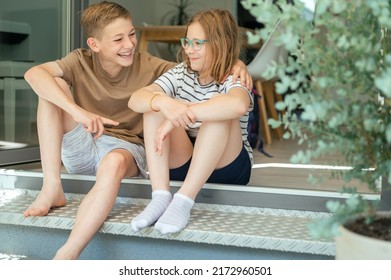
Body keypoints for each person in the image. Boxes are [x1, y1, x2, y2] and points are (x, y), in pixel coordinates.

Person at [23, 2, 251, 259]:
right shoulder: (81, 60)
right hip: (98, 139)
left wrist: (235, 64)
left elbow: (229, 92)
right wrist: (78, 111)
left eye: (132, 35)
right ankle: (54, 185)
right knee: (53, 88)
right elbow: (34, 74)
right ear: (94, 45)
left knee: (215, 113)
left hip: (146, 153)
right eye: (118, 39)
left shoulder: (156, 66)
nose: (130, 44)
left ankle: (181, 201)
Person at [128, 9, 254, 235]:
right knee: (154, 106)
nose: (188, 49)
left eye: (197, 43)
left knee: (220, 111)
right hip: (186, 162)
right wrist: (165, 104)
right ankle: (160, 197)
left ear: (220, 43)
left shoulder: (234, 75)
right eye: (187, 41)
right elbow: (135, 100)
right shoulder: (181, 73)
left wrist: (185, 112)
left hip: (227, 166)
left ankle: (184, 200)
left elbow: (238, 105)